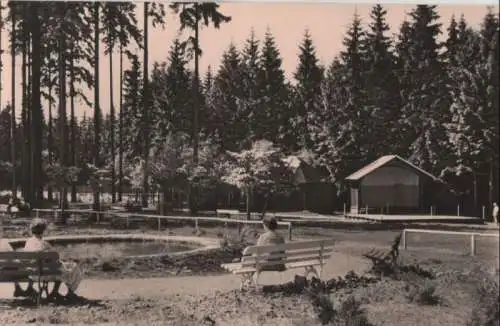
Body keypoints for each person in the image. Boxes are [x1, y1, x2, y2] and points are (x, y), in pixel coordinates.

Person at [23, 218, 83, 300]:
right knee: (73, 268)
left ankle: (54, 292)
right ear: (43, 231)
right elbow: (55, 259)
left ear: (32, 231)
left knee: (59, 269)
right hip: (46, 274)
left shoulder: (28, 243)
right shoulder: (45, 244)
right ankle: (68, 292)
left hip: (32, 274)